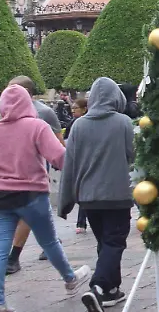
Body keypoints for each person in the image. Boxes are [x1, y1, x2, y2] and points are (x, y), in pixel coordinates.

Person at [0, 83, 91, 312]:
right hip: (31, 195)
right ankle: (70, 279)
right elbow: (60, 158)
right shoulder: (37, 127)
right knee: (49, 241)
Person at [57, 77, 135, 311]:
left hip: (89, 198)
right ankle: (99, 287)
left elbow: (69, 164)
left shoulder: (79, 125)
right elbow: (131, 155)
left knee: (105, 242)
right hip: (117, 194)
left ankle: (112, 289)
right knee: (114, 242)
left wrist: (65, 201)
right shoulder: (123, 122)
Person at [1, 76, 63, 274]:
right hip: (11, 170)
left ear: (26, 92)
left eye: (13, 89)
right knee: (36, 212)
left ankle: (14, 257)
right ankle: (50, 245)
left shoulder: (44, 112)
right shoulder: (6, 112)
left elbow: (59, 142)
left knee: (28, 212)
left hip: (34, 172)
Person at [65, 98, 89, 234]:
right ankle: (81, 222)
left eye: (76, 108)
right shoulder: (72, 124)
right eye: (72, 108)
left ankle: (82, 223)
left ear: (84, 109)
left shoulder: (84, 123)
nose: (73, 110)